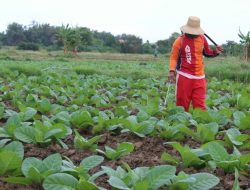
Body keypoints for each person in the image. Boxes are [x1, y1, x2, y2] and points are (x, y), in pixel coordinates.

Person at [168, 16, 223, 112]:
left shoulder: (202, 39)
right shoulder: (179, 41)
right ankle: (181, 124)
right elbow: (173, 57)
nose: (192, 34)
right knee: (182, 105)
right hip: (184, 76)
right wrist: (172, 71)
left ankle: (200, 123)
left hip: (199, 77)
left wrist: (216, 52)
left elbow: (207, 52)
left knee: (200, 105)